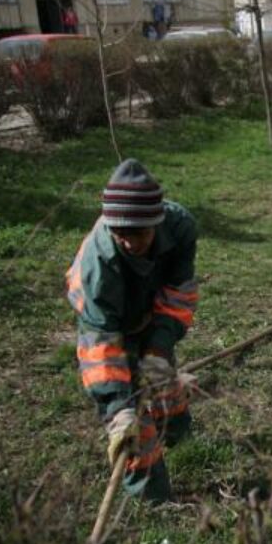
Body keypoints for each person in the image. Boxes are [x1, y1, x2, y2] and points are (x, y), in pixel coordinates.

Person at [66, 159, 198, 502]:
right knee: (131, 422)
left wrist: (158, 346)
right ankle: (150, 494)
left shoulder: (181, 227)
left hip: (147, 305)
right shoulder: (99, 265)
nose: (128, 242)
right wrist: (118, 407)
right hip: (105, 323)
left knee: (160, 373)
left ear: (157, 222)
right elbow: (102, 348)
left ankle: (178, 434)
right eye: (119, 233)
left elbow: (178, 293)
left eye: (138, 233)